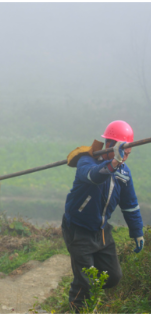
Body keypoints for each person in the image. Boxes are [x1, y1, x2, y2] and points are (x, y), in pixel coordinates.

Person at [62, 120, 144, 312]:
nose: (125, 157)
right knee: (86, 281)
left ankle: (86, 289)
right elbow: (94, 176)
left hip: (102, 231)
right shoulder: (87, 161)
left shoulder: (124, 172)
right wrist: (113, 163)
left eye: (127, 154)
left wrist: (137, 231)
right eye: (122, 151)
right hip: (79, 229)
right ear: (109, 145)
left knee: (113, 276)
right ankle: (78, 303)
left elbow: (130, 204)